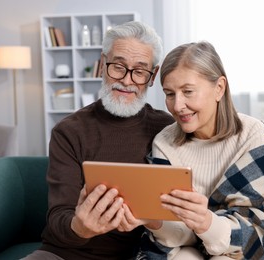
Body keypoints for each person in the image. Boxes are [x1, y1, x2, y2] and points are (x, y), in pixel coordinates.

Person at [23, 21, 174, 260]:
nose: (126, 80)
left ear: (152, 76)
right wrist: (80, 226)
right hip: (67, 252)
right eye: (118, 67)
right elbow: (58, 216)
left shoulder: (168, 128)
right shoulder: (68, 131)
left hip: (140, 254)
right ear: (103, 65)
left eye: (139, 71)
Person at [136, 41, 264, 259]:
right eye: (169, 93)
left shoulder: (254, 135)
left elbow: (257, 227)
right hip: (192, 245)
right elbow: (177, 233)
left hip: (255, 243)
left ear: (219, 88)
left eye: (188, 91)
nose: (177, 106)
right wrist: (154, 221)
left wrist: (206, 221)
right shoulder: (164, 143)